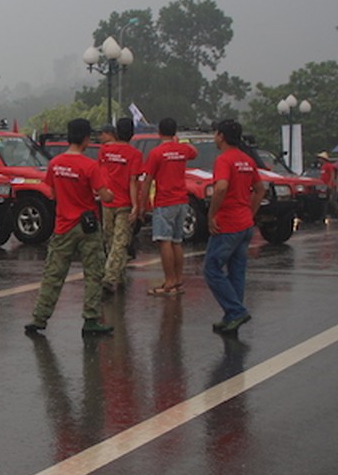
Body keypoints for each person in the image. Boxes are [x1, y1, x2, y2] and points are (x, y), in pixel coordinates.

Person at [25, 118, 115, 336]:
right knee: (93, 273)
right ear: (86, 139)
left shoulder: (55, 164)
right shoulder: (90, 166)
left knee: (53, 273)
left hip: (63, 225)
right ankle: (91, 320)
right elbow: (106, 196)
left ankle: (39, 318)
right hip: (87, 227)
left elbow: (53, 192)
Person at [204, 120, 266, 334]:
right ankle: (232, 316)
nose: (215, 137)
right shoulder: (247, 160)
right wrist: (250, 212)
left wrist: (211, 215)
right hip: (245, 224)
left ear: (221, 136)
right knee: (236, 271)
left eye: (215, 134)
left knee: (212, 268)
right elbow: (260, 189)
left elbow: (221, 187)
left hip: (228, 224)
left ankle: (236, 310)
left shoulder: (224, 160)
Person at [143, 117, 197, 296]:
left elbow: (148, 179)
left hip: (164, 201)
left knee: (164, 241)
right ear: (175, 132)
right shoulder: (182, 150)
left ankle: (169, 281)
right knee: (177, 241)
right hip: (182, 200)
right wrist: (178, 141)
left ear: (159, 132)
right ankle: (178, 279)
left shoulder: (156, 153)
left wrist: (144, 203)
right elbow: (194, 151)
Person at [97, 118, 143, 293]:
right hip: (124, 202)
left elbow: (99, 173)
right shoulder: (135, 155)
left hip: (107, 201)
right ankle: (110, 278)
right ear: (132, 134)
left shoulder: (105, 151)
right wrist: (135, 205)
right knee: (120, 242)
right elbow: (133, 181)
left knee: (109, 240)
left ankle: (118, 274)